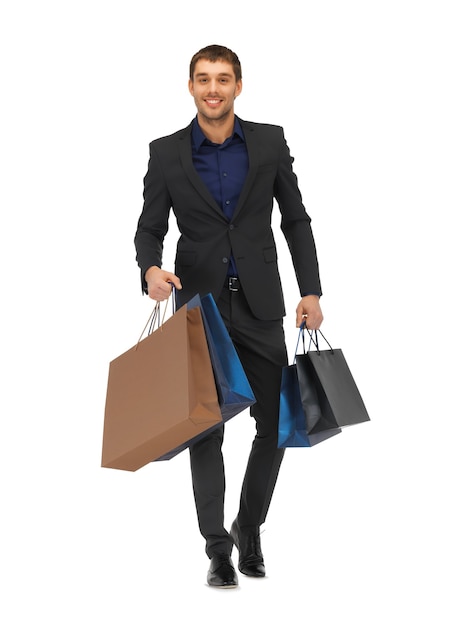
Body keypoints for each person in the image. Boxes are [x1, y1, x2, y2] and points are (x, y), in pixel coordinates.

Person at [134, 44, 323, 588]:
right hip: (199, 306)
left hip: (262, 303)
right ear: (190, 87)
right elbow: (149, 227)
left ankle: (250, 527)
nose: (212, 88)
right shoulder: (166, 153)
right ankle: (217, 548)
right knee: (204, 429)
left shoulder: (269, 141)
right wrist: (150, 269)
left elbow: (296, 220)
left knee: (276, 425)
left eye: (222, 79)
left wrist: (310, 290)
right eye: (202, 79)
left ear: (239, 85)